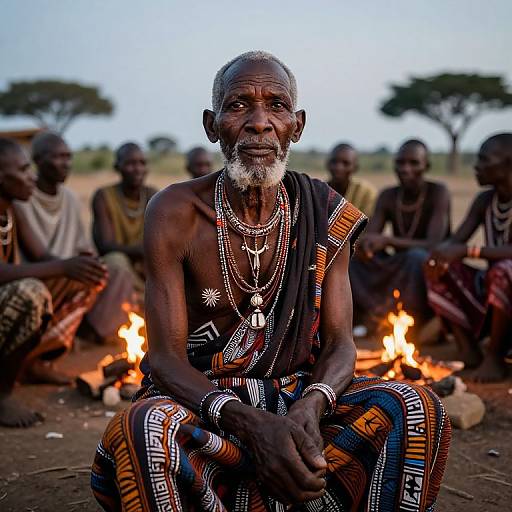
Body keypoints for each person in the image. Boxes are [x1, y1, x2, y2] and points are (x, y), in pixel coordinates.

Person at [91, 52, 450, 511]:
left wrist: (310, 408)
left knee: (417, 409)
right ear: (211, 124)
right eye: (239, 105)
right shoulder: (174, 212)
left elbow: (341, 344)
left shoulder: (324, 210)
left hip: (301, 401)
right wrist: (251, 423)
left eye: (276, 106)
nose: (259, 123)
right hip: (207, 405)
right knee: (142, 429)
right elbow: (162, 360)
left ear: (296, 126)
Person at [0, 138, 105, 426]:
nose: (30, 177)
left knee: (86, 278)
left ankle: (35, 362)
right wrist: (62, 266)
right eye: (22, 170)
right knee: (28, 293)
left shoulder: (11, 209)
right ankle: (3, 394)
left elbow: (42, 256)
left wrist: (76, 265)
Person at [14, 132, 135, 343]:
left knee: (114, 267)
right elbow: (38, 254)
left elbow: (82, 245)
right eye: (58, 157)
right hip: (45, 271)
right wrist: (70, 266)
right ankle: (47, 347)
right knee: (82, 278)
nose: (66, 163)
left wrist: (87, 259)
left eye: (68, 157)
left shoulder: (69, 198)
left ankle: (92, 334)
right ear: (38, 160)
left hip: (69, 267)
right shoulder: (22, 197)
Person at [426, 133, 512, 382]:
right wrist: (440, 253)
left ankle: (495, 357)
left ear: (508, 164)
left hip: (504, 283)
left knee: (504, 270)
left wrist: (469, 251)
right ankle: (468, 350)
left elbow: (464, 248)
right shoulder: (486, 200)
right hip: (493, 287)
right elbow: (455, 242)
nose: (476, 166)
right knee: (436, 264)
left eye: (484, 160)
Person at [350, 139, 451, 331]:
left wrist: (387, 240)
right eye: (401, 163)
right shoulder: (388, 196)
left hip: (430, 262)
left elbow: (433, 243)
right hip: (401, 259)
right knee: (353, 259)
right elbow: (371, 237)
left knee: (416, 257)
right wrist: (367, 246)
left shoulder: (438, 193)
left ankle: (414, 320)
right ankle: (373, 315)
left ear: (426, 166)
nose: (406, 169)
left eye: (414, 163)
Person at [92, 143, 157, 304]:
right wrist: (138, 251)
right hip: (119, 266)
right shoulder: (104, 196)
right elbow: (105, 245)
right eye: (130, 163)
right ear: (117, 167)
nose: (138, 169)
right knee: (116, 260)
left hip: (146, 265)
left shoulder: (154, 195)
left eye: (142, 163)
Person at [326, 142, 377, 216]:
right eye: (334, 162)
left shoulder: (366, 193)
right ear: (327, 164)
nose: (338, 168)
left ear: (355, 167)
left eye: (346, 163)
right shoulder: (319, 192)